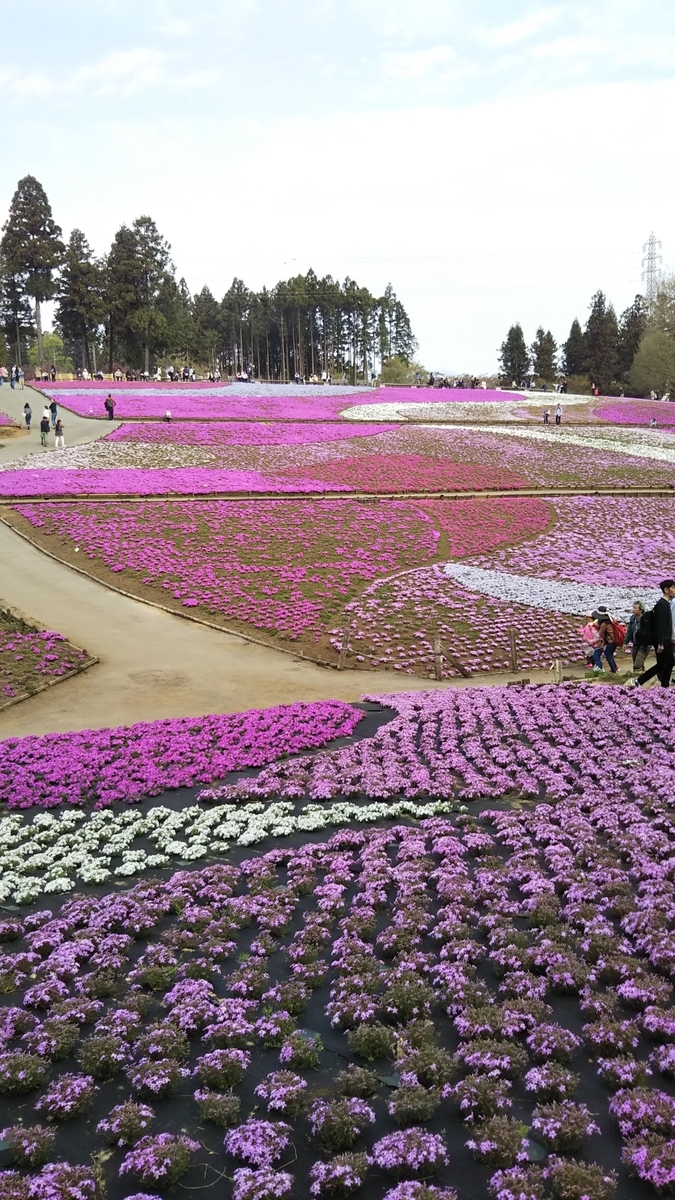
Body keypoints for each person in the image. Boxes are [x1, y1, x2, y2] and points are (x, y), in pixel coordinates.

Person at [628, 580, 675, 689]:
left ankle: (665, 686)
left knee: (670, 662)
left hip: (665, 639)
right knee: (662, 664)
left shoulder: (665, 604)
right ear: (666, 590)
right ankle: (638, 681)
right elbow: (660, 625)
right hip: (662, 640)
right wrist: (660, 643)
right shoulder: (662, 605)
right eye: (673, 588)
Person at [624, 601, 648, 674]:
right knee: (635, 661)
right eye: (633, 607)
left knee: (637, 664)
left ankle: (638, 676)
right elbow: (629, 631)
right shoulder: (633, 619)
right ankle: (641, 675)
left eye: (635, 608)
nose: (633, 609)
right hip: (635, 643)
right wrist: (625, 642)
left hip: (644, 645)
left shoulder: (646, 619)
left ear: (641, 610)